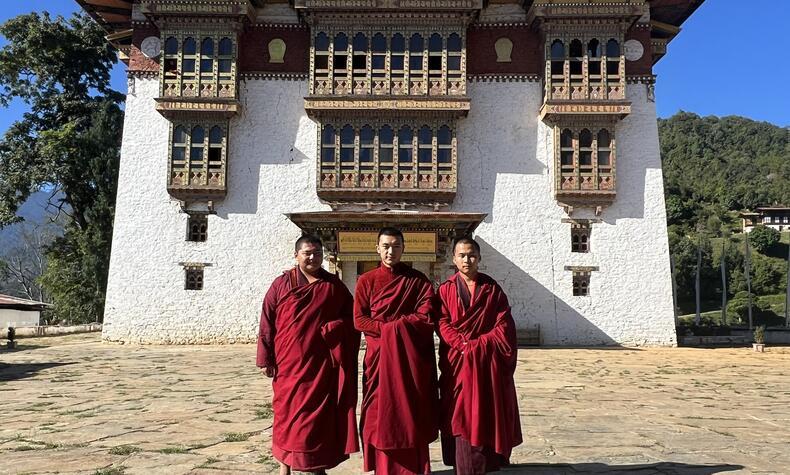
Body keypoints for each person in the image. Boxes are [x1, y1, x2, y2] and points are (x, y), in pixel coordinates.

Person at [257, 235, 360, 475]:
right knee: (286, 415)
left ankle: (317, 466)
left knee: (317, 419)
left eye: (317, 253)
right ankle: (285, 465)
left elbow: (352, 318)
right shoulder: (281, 284)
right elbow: (267, 320)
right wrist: (265, 358)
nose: (313, 257)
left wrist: (334, 328)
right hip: (288, 364)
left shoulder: (333, 286)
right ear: (297, 255)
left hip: (320, 365)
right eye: (307, 253)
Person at [354, 227, 439, 474]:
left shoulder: (418, 281)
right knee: (380, 413)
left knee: (410, 411)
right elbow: (359, 320)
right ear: (377, 248)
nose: (391, 251)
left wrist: (393, 329)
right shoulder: (366, 281)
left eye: (396, 246)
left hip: (409, 359)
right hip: (379, 358)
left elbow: (426, 316)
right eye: (386, 246)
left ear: (403, 248)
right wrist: (391, 330)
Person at [436, 236, 522, 474]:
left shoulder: (492, 289)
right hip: (458, 364)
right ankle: (462, 465)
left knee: (483, 411)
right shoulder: (445, 290)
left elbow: (503, 324)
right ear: (453, 258)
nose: (467, 260)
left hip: (484, 365)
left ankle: (486, 463)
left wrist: (478, 344)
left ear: (479, 258)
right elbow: (442, 321)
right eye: (462, 255)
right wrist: (460, 344)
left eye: (472, 255)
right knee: (460, 414)